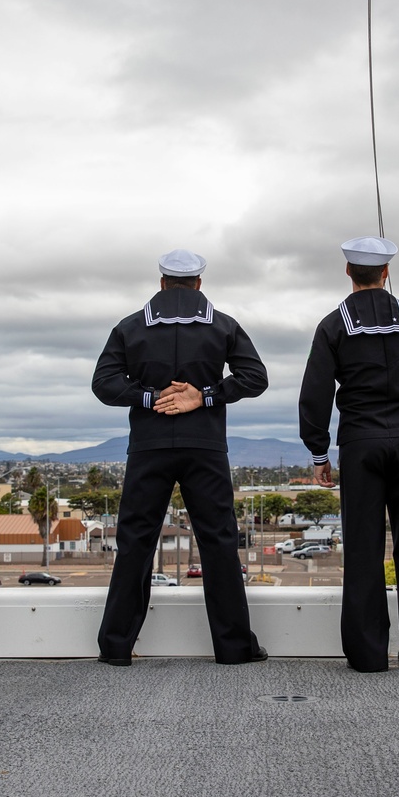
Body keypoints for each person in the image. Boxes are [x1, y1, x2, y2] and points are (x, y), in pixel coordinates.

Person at [92, 249, 269, 665]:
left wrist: (151, 396)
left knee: (135, 542)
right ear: (199, 284)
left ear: (162, 283)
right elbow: (255, 378)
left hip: (149, 449)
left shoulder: (131, 326)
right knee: (219, 542)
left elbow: (104, 384)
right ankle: (234, 647)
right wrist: (204, 396)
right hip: (205, 448)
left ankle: (116, 647)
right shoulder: (223, 326)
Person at [298, 236, 399, 672]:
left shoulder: (333, 325)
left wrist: (319, 454)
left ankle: (368, 655)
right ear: (386, 273)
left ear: (349, 272)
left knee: (363, 548)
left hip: (360, 444)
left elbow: (316, 394)